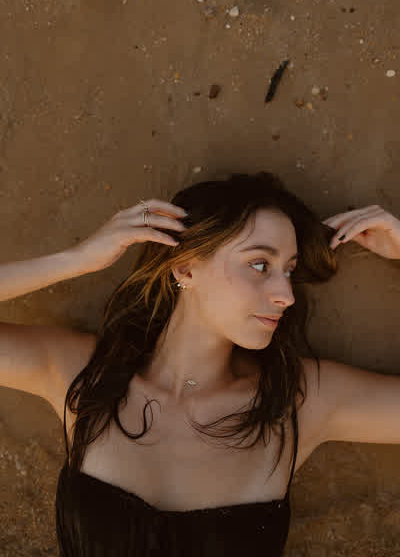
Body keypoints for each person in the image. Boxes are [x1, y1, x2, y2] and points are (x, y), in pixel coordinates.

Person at [1, 171, 400, 556]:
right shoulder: (86, 375)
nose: (286, 294)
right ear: (186, 267)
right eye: (260, 265)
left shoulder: (298, 402)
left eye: (289, 271)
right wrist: (79, 258)